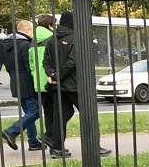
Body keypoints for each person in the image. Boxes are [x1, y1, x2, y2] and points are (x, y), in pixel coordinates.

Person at [42, 11, 112, 159]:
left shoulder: (52, 39)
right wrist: (59, 76)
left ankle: (57, 148)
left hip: (58, 86)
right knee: (89, 116)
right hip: (76, 85)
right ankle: (93, 147)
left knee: (60, 116)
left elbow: (46, 61)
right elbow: (73, 62)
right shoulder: (77, 39)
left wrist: (53, 75)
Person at [0, 20, 42, 152]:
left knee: (29, 113)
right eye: (33, 30)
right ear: (27, 30)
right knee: (35, 112)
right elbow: (30, 66)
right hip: (27, 83)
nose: (34, 33)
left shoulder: (9, 45)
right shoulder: (25, 45)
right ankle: (12, 131)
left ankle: (33, 141)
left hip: (15, 82)